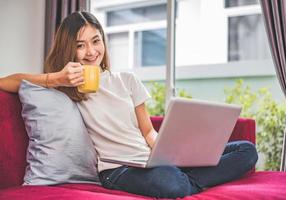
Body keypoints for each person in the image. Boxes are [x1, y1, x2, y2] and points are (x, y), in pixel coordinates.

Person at [0, 11, 258, 198]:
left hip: (150, 160)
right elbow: (7, 81)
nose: (91, 51)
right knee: (172, 185)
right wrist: (57, 77)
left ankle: (183, 177)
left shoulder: (127, 80)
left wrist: (169, 152)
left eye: (96, 40)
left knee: (246, 151)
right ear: (70, 49)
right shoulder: (67, 86)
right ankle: (183, 182)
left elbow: (147, 131)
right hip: (117, 170)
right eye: (80, 45)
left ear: (103, 41)